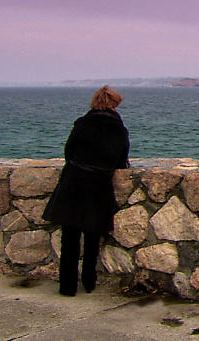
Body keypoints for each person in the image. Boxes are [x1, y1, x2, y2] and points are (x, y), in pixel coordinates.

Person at [42, 86, 130, 296]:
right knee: (92, 236)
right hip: (100, 185)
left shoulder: (82, 124)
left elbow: (69, 151)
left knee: (69, 238)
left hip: (74, 181)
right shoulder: (120, 130)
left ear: (95, 102)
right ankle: (89, 281)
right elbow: (121, 161)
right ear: (115, 104)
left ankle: (67, 286)